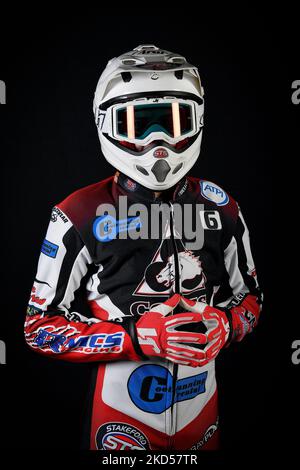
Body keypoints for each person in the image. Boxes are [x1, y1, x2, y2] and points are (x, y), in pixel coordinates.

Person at [24, 45, 262, 450]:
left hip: (202, 414)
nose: (159, 141)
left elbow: (252, 300)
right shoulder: (77, 212)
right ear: (107, 124)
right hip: (120, 418)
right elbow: (38, 328)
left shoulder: (221, 206)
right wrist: (136, 338)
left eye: (175, 121)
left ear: (198, 120)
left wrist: (229, 325)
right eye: (139, 124)